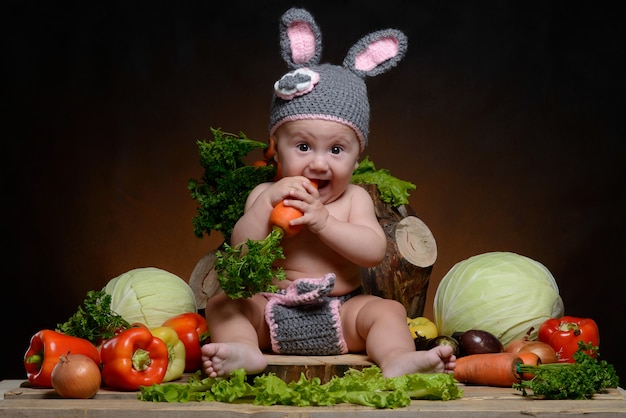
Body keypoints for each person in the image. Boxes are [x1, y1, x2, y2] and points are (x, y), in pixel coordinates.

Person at [201, 7, 456, 379]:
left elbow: (373, 252)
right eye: (303, 147)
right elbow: (241, 250)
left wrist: (324, 222)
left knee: (387, 312)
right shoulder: (264, 193)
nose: (319, 164)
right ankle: (243, 350)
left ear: (357, 157)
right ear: (275, 147)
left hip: (342, 311)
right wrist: (266, 206)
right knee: (224, 304)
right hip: (269, 311)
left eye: (336, 150)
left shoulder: (355, 199)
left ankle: (397, 358)